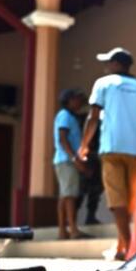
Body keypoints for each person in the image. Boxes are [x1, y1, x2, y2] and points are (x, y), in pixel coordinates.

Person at [79, 47, 136, 260]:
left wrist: (84, 145)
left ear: (116, 64)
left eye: (108, 62)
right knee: (129, 202)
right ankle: (121, 245)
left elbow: (93, 117)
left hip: (111, 149)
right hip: (135, 151)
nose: (106, 67)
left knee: (117, 201)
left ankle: (131, 248)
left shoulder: (103, 83)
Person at [54, 89, 87, 240]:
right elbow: (63, 139)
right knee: (70, 196)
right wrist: (75, 159)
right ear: (69, 100)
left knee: (65, 195)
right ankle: (73, 229)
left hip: (64, 160)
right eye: (77, 99)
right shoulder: (65, 116)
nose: (80, 103)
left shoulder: (69, 117)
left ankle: (63, 230)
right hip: (67, 161)